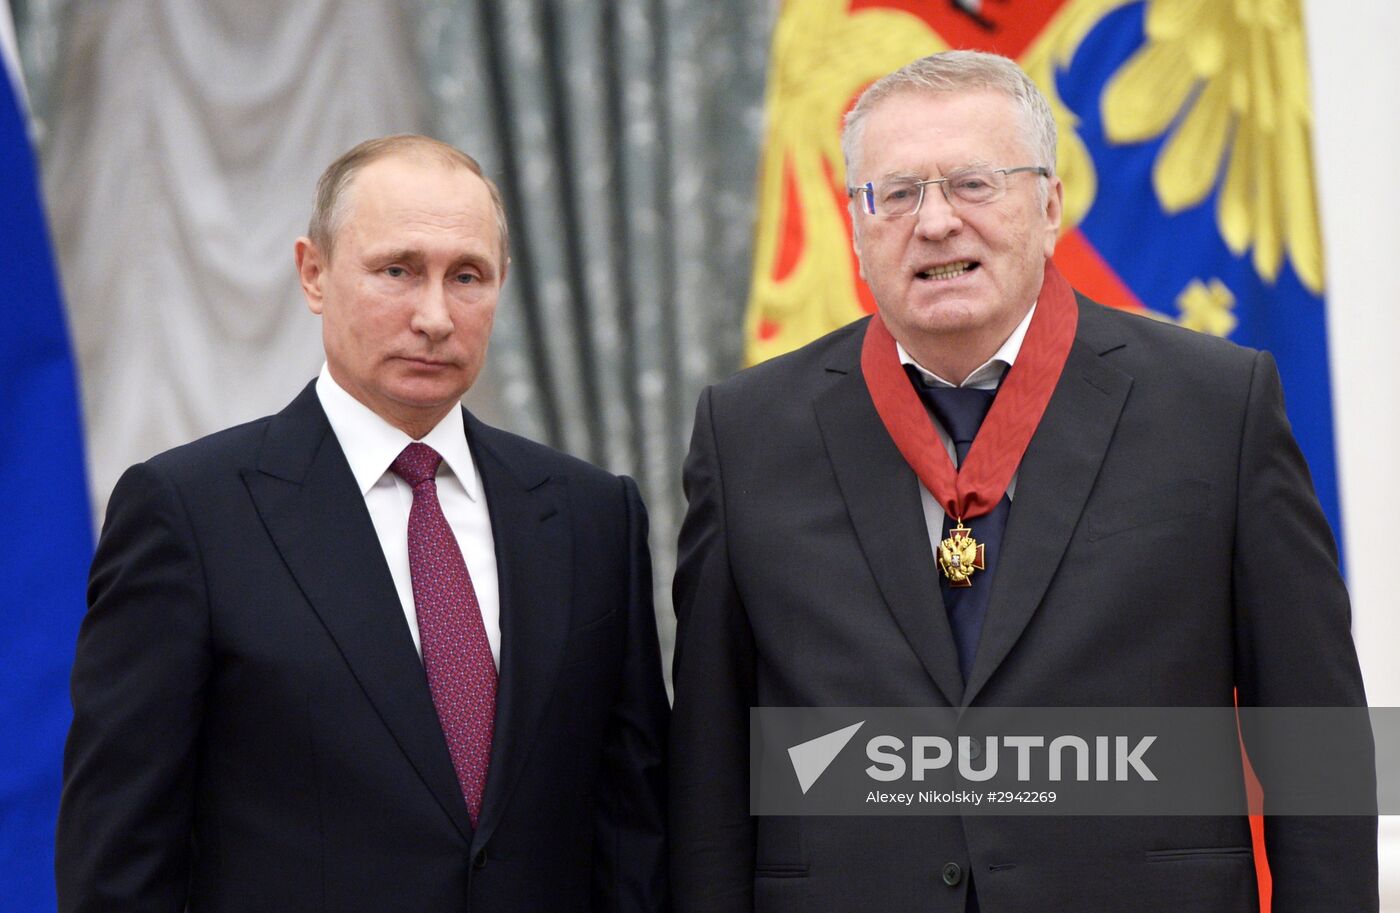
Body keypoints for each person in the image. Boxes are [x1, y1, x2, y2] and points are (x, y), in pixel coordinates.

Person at [669, 51, 1375, 912]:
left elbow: (1315, 740)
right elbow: (708, 768)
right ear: (856, 230)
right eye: (894, 194)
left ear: (1048, 206)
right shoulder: (745, 433)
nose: (934, 223)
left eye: (972, 183)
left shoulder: (1217, 407)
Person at [57, 135, 669, 913]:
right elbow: (118, 858)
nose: (436, 316)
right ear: (313, 273)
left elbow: (632, 830)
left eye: (468, 276)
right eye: (398, 270)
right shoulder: (188, 514)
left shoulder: (592, 516)